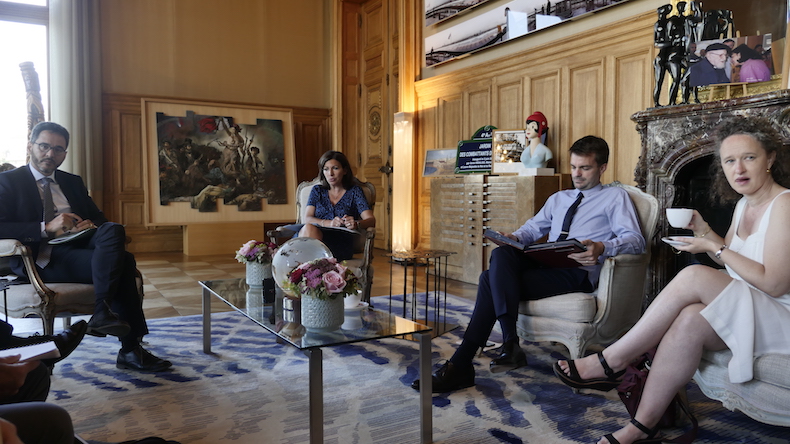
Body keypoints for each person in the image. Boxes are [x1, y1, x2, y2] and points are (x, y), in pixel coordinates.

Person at [554, 117, 790, 444]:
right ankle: (641, 426)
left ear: (771, 158)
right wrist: (704, 232)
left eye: (749, 157)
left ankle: (612, 360)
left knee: (693, 274)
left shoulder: (785, 204)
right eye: (729, 160)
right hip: (752, 305)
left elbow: (775, 284)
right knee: (690, 319)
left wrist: (712, 246)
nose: (739, 168)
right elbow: (738, 264)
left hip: (781, 317)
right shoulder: (743, 205)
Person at [413, 135, 645, 393]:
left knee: (489, 280)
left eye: (585, 168)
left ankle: (466, 362)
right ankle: (508, 344)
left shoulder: (615, 197)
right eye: (573, 166)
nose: (576, 174)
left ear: (602, 168)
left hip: (576, 272)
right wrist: (513, 238)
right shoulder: (560, 198)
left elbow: (636, 240)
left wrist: (603, 247)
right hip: (546, 264)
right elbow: (533, 228)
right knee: (502, 254)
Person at [0, 122, 172, 373]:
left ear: (65, 154)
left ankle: (105, 317)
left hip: (77, 248)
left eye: (58, 149)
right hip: (42, 259)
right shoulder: (8, 182)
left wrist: (89, 225)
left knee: (113, 228)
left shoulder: (72, 182)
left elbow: (99, 218)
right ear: (31, 146)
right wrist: (45, 227)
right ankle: (130, 348)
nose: (50, 154)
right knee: (123, 262)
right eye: (44, 146)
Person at [298, 151, 375, 261]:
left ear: (345, 170)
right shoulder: (317, 190)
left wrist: (356, 224)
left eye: (335, 168)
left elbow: (371, 220)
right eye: (326, 169)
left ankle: (307, 272)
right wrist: (329, 223)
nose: (330, 173)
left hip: (339, 242)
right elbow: (307, 218)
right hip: (313, 235)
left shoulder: (355, 191)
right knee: (308, 228)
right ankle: (311, 271)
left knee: (306, 237)